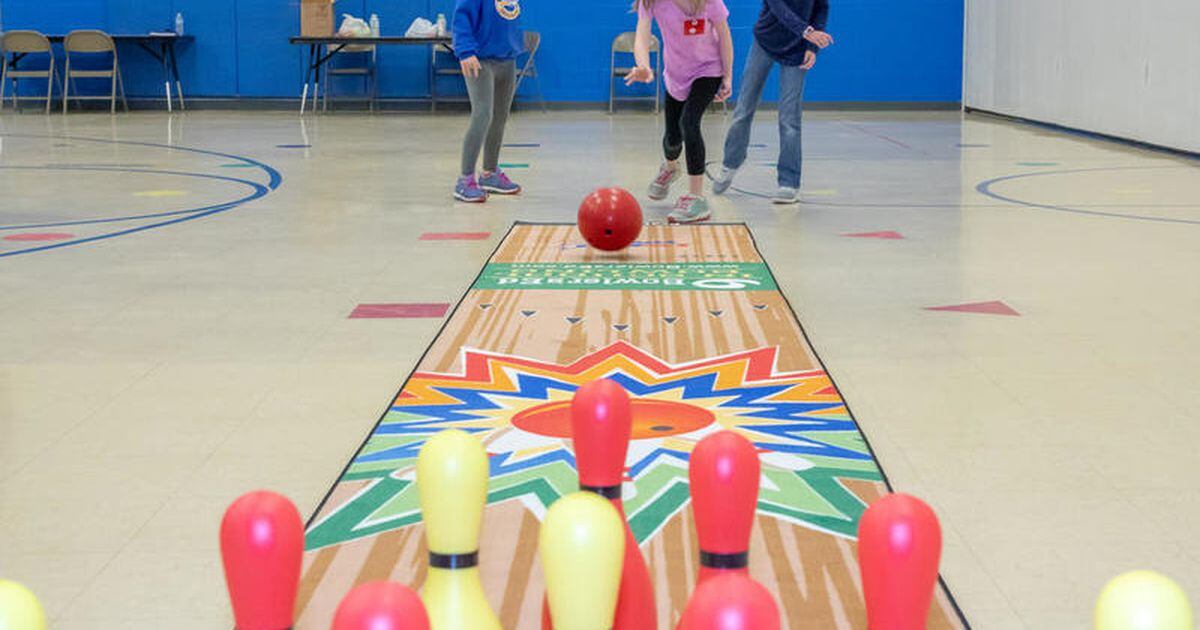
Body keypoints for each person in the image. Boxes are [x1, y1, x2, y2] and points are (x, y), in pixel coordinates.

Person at [712, 0, 833, 204]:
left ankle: (789, 182)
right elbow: (779, 9)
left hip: (797, 49)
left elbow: (821, 8)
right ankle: (731, 162)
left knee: (789, 120)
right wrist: (808, 32)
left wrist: (812, 46)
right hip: (765, 42)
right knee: (744, 109)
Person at [626, 0, 734, 224]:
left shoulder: (710, 2)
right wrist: (643, 65)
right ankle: (670, 168)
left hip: (708, 69)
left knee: (689, 122)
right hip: (676, 75)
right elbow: (642, 35)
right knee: (672, 139)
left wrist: (727, 76)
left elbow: (724, 35)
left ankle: (696, 197)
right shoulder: (652, 2)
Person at [452, 0, 525, 203]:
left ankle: (489, 174)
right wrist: (465, 51)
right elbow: (462, 17)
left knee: (500, 117)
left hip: (507, 58)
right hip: (480, 59)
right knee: (482, 115)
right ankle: (465, 180)